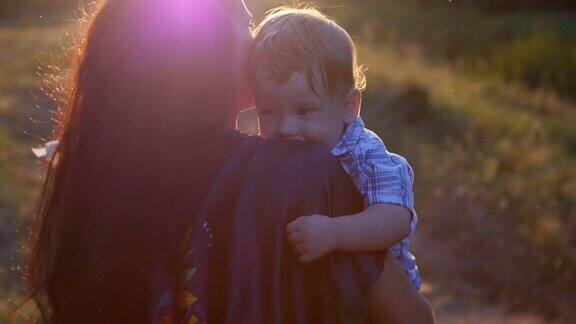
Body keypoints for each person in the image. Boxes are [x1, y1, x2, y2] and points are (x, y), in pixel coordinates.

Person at [27, 0, 434, 323]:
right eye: (246, 24)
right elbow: (412, 318)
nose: (258, 39)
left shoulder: (99, 175)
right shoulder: (301, 172)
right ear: (209, 50)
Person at [251, 6, 420, 287]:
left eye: (304, 111)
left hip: (378, 294)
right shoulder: (272, 149)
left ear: (347, 106)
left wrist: (335, 233)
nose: (285, 128)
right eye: (268, 112)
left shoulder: (365, 156)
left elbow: (395, 219)